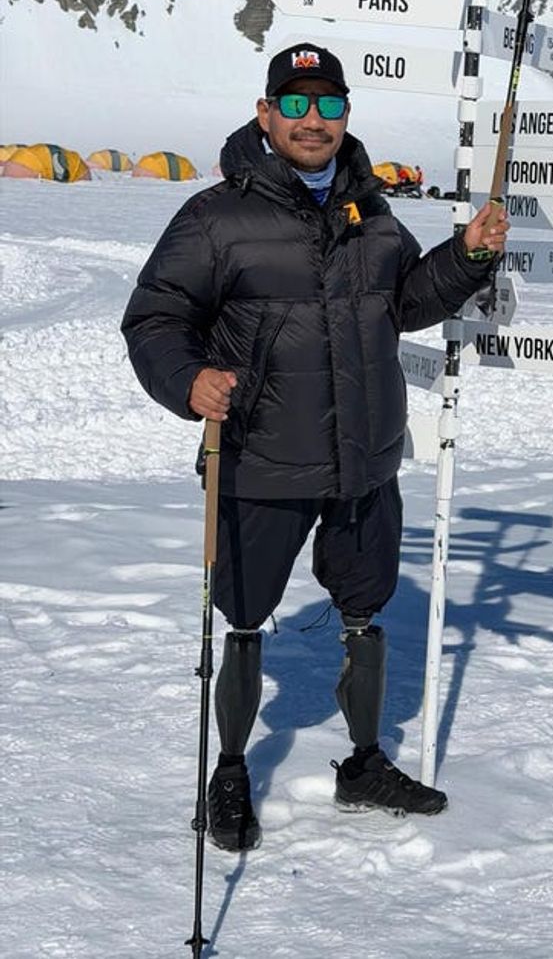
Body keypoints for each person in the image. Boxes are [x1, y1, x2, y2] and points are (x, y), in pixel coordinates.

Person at [121, 43, 508, 850]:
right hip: (259, 457)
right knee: (245, 617)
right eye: (294, 104)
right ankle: (230, 770)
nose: (312, 120)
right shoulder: (214, 217)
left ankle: (364, 762)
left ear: (345, 118)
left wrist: (467, 257)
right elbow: (156, 318)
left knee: (365, 611)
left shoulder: (372, 213)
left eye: (329, 105)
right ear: (265, 115)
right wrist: (188, 381)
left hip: (364, 458)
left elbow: (401, 303)